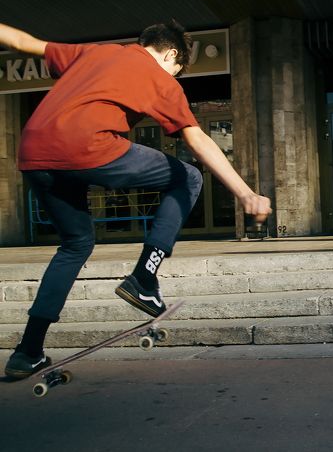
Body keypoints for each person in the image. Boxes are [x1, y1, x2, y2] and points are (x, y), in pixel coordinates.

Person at [1, 21, 272, 379]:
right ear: (171, 54)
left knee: (75, 245)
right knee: (188, 176)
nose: (175, 76)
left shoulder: (95, 51)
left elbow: (24, 40)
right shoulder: (161, 79)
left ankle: (28, 350)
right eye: (178, 69)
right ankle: (145, 277)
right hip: (90, 149)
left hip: (35, 153)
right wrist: (246, 193)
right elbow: (199, 141)